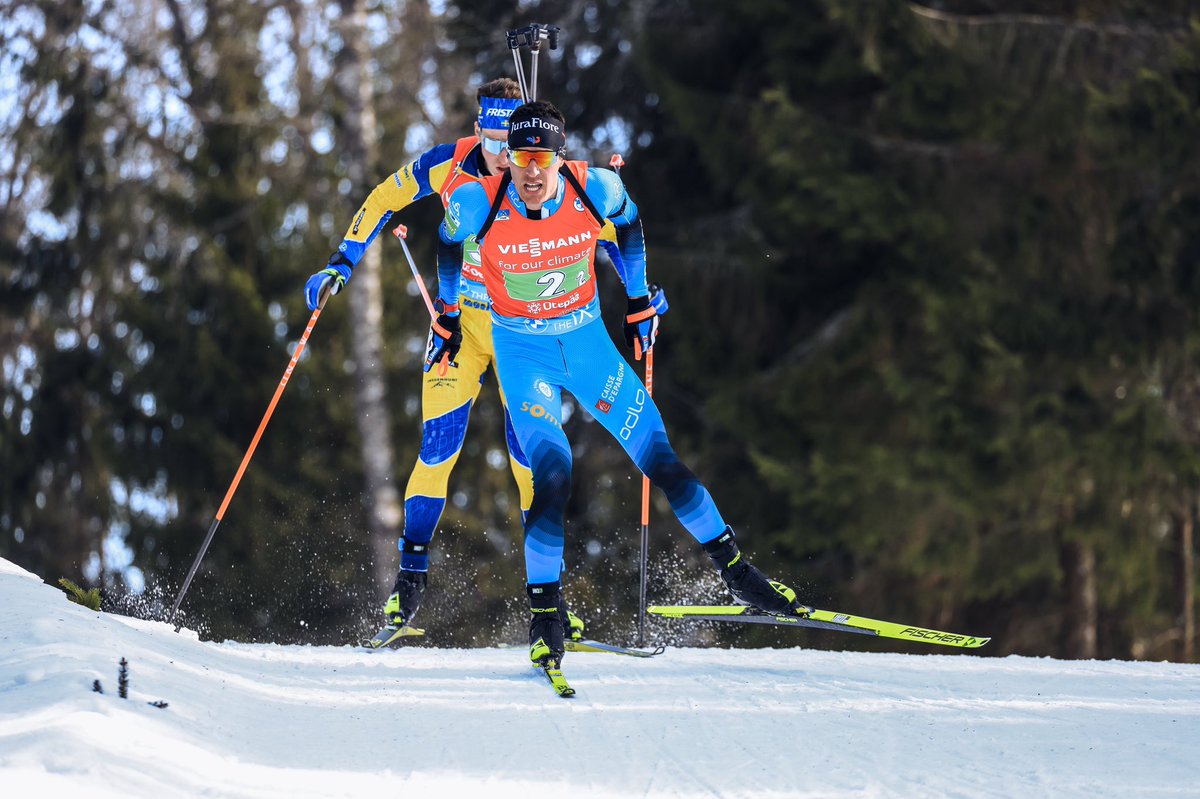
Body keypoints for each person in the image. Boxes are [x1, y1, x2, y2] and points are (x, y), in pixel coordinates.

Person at [428, 101, 809, 668]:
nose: (530, 172)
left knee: (662, 460)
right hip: (523, 354)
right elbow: (446, 244)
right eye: (519, 158)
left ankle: (738, 574)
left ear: (560, 157)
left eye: (541, 158)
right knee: (553, 475)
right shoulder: (477, 201)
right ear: (506, 158)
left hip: (587, 346)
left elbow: (630, 228)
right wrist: (450, 312)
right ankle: (545, 618)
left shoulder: (595, 189)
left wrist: (638, 300)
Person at [305, 79, 600, 643]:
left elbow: (602, 222)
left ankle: (552, 600)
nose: (498, 156)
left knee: (531, 462)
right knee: (438, 448)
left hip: (524, 335)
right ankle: (409, 583)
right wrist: (341, 261)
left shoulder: (546, 177)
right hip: (458, 331)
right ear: (477, 131)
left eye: (507, 144)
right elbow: (383, 198)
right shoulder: (449, 165)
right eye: (489, 140)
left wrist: (642, 295)